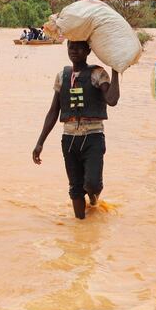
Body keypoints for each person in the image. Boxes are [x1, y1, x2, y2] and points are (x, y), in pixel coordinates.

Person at [33, 40, 120, 220]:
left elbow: (112, 100)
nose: (74, 51)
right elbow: (53, 112)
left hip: (93, 138)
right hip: (69, 139)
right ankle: (81, 231)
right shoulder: (62, 76)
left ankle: (94, 200)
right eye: (71, 47)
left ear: (88, 50)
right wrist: (40, 142)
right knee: (75, 187)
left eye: (79, 47)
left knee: (93, 184)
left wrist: (115, 70)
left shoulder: (98, 74)